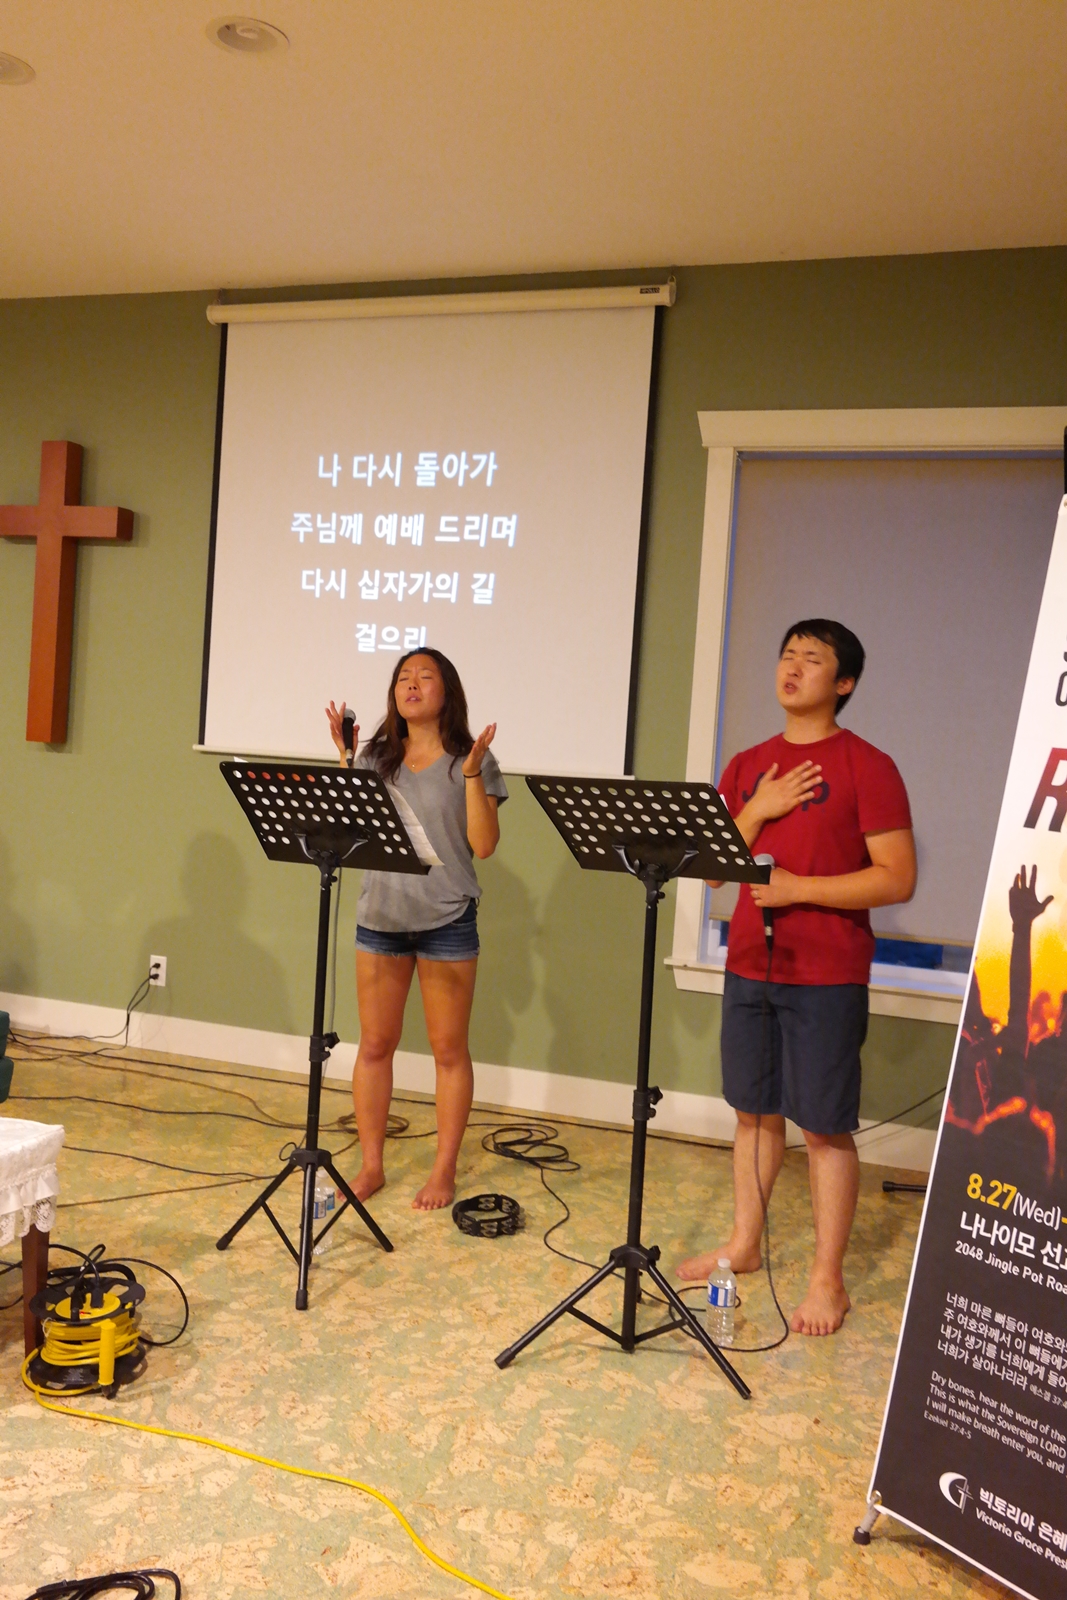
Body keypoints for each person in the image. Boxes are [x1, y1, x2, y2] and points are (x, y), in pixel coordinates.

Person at [677, 619, 916, 1335]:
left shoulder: (868, 765)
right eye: (786, 655)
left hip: (826, 974)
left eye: (811, 659)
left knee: (823, 1127)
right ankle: (744, 1243)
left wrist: (798, 889)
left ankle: (826, 1280)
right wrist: (758, 808)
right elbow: (711, 874)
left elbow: (896, 877)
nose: (793, 667)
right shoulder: (748, 764)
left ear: (843, 682)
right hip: (751, 964)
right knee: (753, 1114)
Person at [325, 649, 506, 1210]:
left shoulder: (471, 759)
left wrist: (471, 774)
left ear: (446, 691)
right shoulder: (375, 759)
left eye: (425, 676)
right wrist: (345, 758)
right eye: (404, 677)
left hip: (446, 919)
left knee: (448, 1051)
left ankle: (443, 1170)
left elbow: (484, 845)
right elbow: (348, 828)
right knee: (375, 1045)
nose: (412, 684)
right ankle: (371, 1165)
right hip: (381, 918)